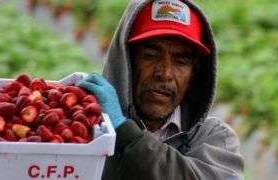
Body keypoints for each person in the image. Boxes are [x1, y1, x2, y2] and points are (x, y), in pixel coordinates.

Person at [77, 0, 244, 179]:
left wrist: (125, 131)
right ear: (127, 61)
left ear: (194, 73)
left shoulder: (214, 139)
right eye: (150, 55)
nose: (164, 73)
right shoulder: (88, 126)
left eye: (181, 61)